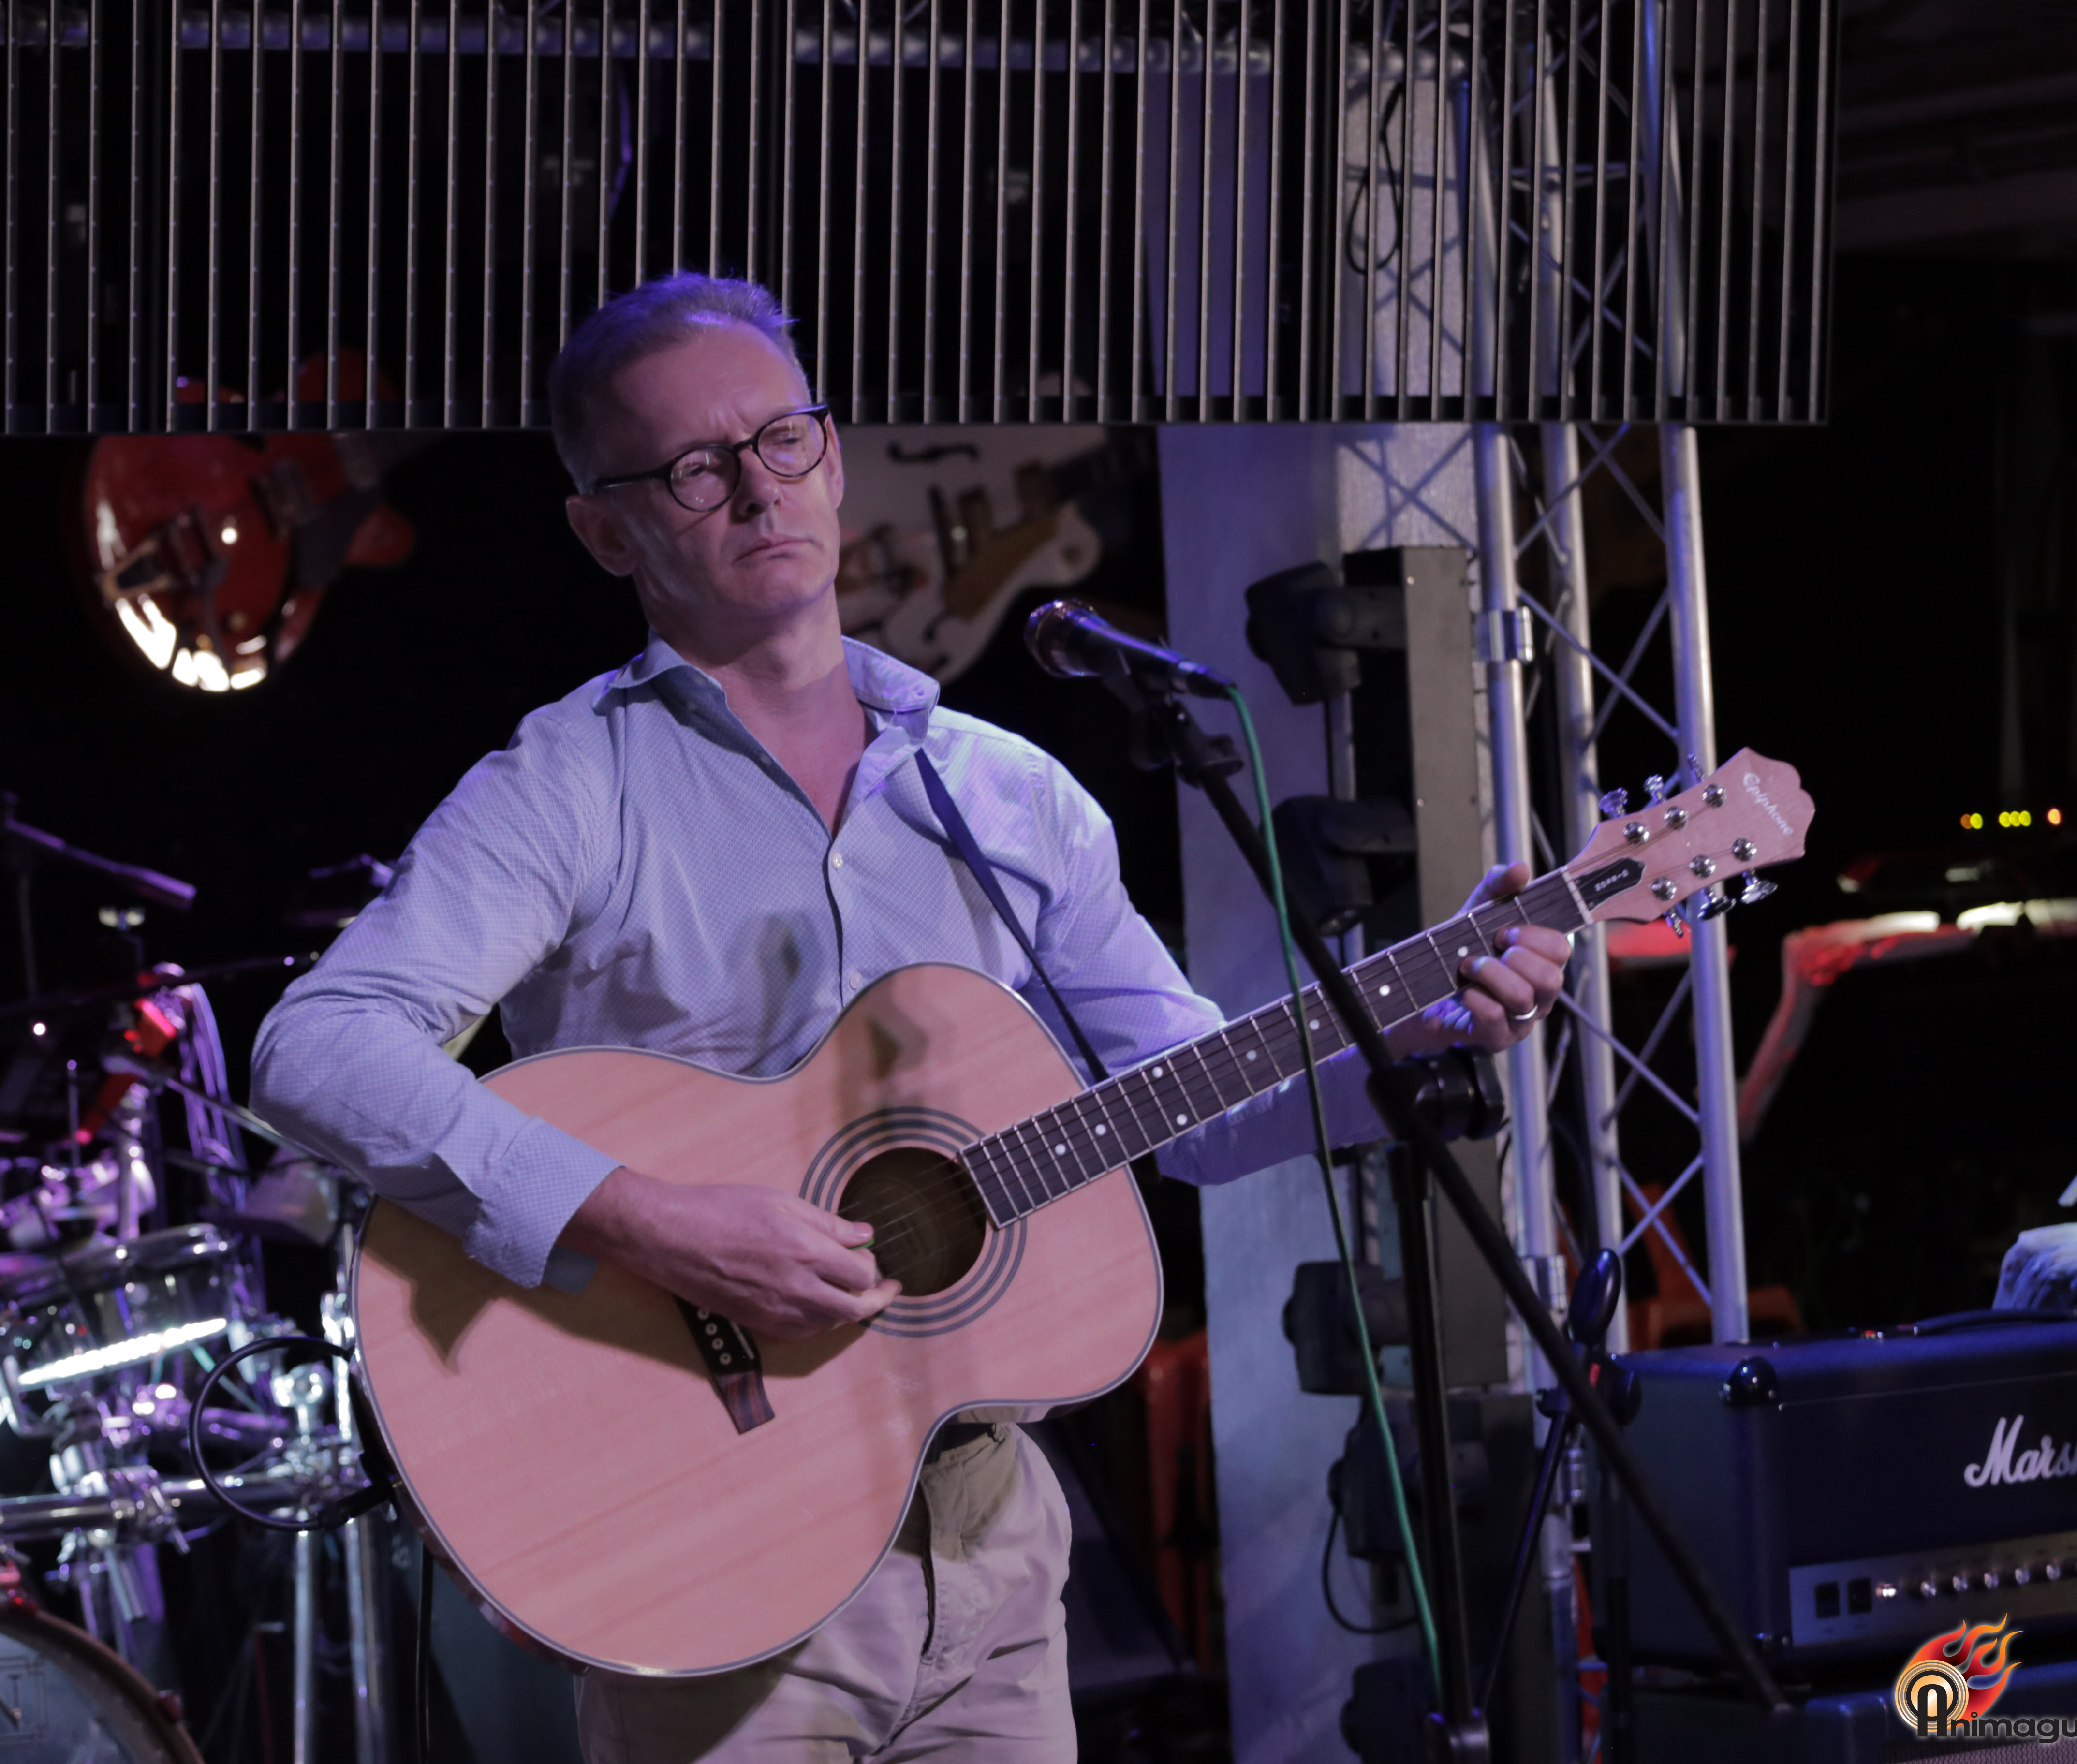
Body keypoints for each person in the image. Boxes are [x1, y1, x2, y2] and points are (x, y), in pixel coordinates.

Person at [250, 272, 1570, 1763]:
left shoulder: (1008, 796)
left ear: (833, 453)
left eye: (784, 438)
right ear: (607, 531)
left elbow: (1184, 1109)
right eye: (694, 468)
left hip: (993, 1546)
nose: (759, 489)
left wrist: (1409, 1034)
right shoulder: (570, 787)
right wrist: (652, 1221)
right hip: (708, 1548)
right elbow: (316, 1048)